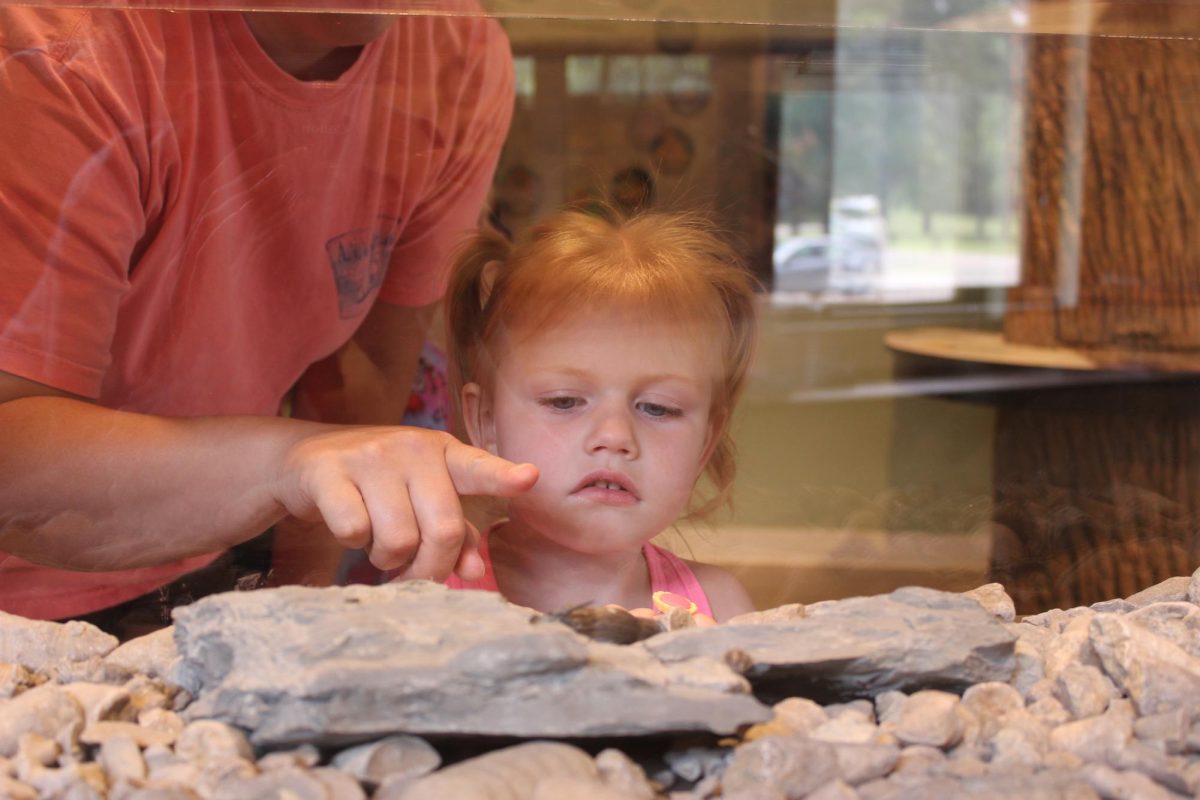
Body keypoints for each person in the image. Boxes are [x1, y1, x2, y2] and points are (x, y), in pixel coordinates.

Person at [0, 2, 539, 628]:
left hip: (207, 558)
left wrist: (298, 605)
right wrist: (292, 466)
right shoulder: (67, 49)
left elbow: (362, 376)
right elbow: (13, 467)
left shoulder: (455, 51)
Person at [440, 206, 760, 622]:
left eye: (658, 408)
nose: (614, 436)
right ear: (485, 421)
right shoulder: (430, 599)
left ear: (706, 443)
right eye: (564, 401)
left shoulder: (723, 610)